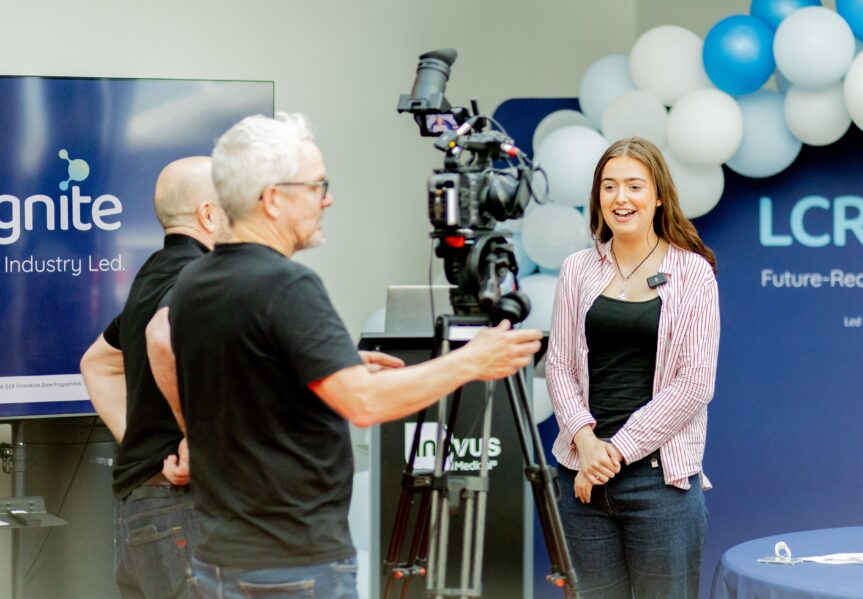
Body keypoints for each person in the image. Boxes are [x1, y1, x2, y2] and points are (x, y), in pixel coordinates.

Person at [144, 113, 542, 599]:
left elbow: (246, 372)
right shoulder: (288, 285)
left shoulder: (194, 281)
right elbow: (365, 404)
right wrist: (473, 360)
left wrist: (322, 362)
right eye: (316, 186)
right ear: (273, 199)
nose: (326, 199)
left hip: (219, 560)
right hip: (293, 568)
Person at [546, 137, 720, 598]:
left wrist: (615, 452)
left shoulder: (693, 273)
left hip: (659, 483)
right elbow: (558, 365)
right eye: (609, 186)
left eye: (634, 186)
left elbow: (695, 384)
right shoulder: (577, 269)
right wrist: (587, 443)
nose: (620, 198)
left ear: (658, 196)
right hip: (581, 479)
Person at [80, 156, 228, 599]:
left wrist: (142, 442)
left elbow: (97, 362)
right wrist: (194, 440)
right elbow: (162, 338)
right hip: (184, 510)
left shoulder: (152, 277)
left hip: (142, 512)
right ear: (208, 214)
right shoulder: (202, 278)